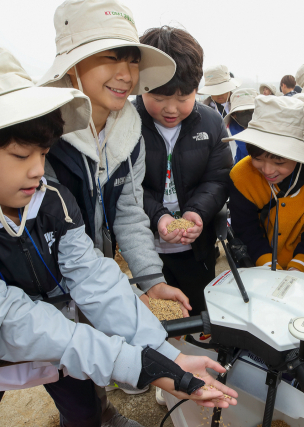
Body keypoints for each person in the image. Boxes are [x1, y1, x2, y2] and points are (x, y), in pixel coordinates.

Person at [0, 46, 238, 427]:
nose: (39, 170)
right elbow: (18, 323)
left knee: (84, 412)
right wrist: (148, 366)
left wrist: (167, 355)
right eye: (21, 156)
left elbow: (94, 279)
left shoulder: (49, 201)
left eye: (44, 153)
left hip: (65, 343)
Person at [39, 0, 190, 317]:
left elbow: (129, 213)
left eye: (133, 62)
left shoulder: (129, 134)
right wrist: (121, 297)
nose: (125, 75)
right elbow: (57, 238)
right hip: (46, 295)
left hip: (97, 285)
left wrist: (151, 281)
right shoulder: (42, 139)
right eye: (110, 58)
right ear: (71, 65)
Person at [136, 26, 233, 318]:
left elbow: (217, 178)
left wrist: (197, 213)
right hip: (146, 249)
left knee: (198, 314)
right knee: (158, 319)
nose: (171, 108)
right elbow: (127, 187)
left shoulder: (211, 123)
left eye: (183, 96)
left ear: (197, 87)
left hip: (196, 248)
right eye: (160, 96)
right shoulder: (127, 123)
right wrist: (159, 217)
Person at [227, 96, 304, 272]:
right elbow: (246, 229)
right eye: (257, 158)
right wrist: (268, 266)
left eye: (279, 163)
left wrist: (299, 266)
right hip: (256, 264)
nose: (268, 170)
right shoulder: (241, 176)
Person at [224, 88, 259, 163]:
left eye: (251, 110)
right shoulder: (228, 134)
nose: (247, 113)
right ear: (234, 115)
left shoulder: (268, 131)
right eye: (241, 111)